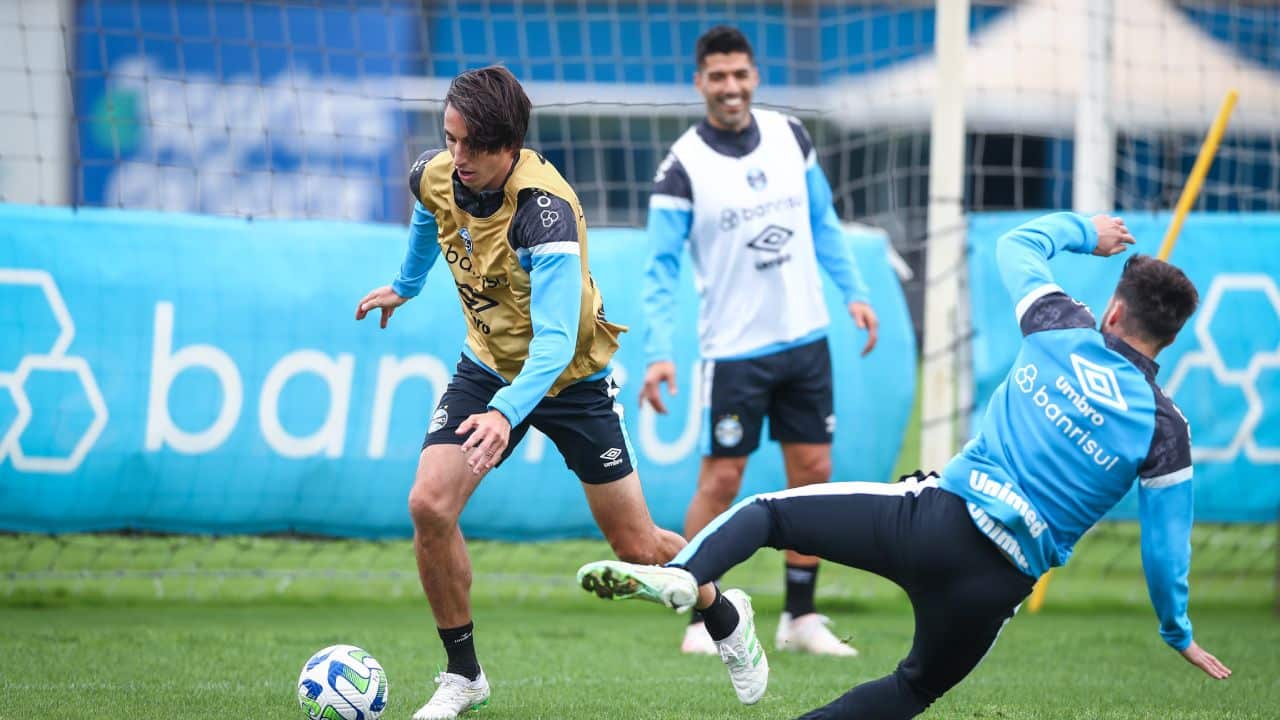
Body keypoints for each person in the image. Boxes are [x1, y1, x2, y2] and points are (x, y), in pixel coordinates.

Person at [579, 212, 1232, 718]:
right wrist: (1177, 631)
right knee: (913, 688)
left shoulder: (1065, 326)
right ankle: (708, 598)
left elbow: (1017, 246)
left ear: (1113, 312)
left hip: (938, 521)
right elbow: (1165, 550)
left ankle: (687, 577)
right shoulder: (1166, 429)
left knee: (769, 511)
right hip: (997, 588)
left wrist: (1085, 233)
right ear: (1170, 339)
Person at [355, 65, 687, 720]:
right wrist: (407, 284)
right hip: (487, 366)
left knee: (637, 546)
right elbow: (430, 214)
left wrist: (507, 416)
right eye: (449, 139)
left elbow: (557, 344)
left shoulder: (545, 213)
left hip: (570, 379)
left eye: (471, 147)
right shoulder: (440, 172)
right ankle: (463, 674)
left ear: (508, 147)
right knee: (429, 504)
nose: (456, 158)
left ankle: (720, 605)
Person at [641, 25, 878, 657]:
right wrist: (659, 351)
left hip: (805, 338)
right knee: (721, 480)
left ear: (755, 76)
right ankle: (698, 613)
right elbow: (660, 270)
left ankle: (799, 616)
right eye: (717, 77)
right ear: (700, 82)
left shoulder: (790, 135)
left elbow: (824, 220)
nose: (730, 87)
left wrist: (853, 290)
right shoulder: (680, 168)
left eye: (740, 74)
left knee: (814, 476)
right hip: (734, 353)